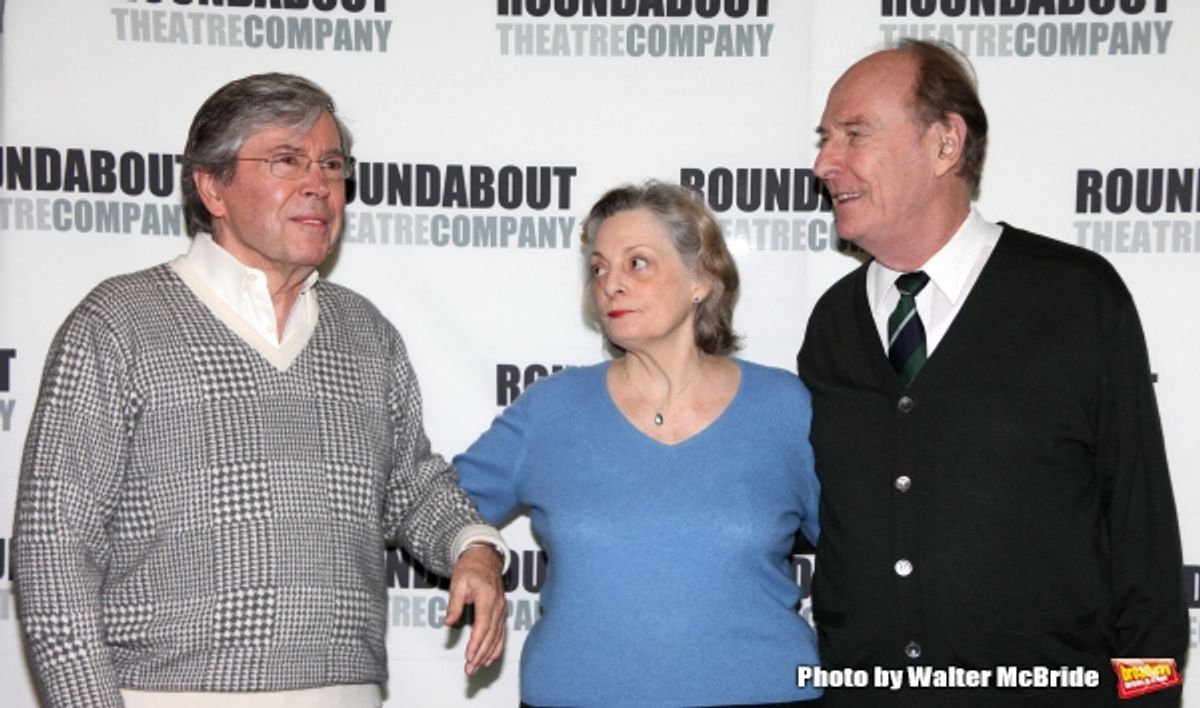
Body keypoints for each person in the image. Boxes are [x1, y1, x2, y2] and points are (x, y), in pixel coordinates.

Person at [13, 73, 507, 708]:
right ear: (213, 187)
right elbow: (55, 544)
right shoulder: (119, 322)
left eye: (331, 164)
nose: (318, 184)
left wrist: (473, 548)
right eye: (286, 161)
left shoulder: (365, 333)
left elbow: (409, 488)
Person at [797, 39, 1188, 707]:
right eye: (825, 138)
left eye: (854, 134)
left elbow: (1142, 547)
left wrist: (1149, 702)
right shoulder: (833, 324)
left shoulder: (1077, 298)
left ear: (945, 144)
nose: (824, 163)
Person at [454, 181, 823, 707]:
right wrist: (477, 551)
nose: (611, 285)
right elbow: (434, 505)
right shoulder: (551, 411)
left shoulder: (784, 408)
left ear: (701, 278)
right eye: (599, 268)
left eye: (638, 263)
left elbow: (866, 554)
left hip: (766, 694)